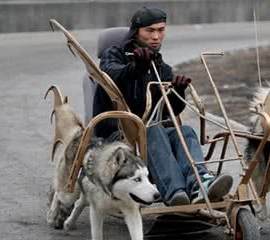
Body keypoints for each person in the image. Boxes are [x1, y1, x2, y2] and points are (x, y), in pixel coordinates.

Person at [94, 7, 233, 206]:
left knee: (185, 131)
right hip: (117, 133)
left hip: (150, 132)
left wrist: (177, 92)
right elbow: (109, 75)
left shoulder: (161, 67)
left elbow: (170, 111)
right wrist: (136, 69)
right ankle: (174, 191)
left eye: (161, 30)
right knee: (152, 130)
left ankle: (199, 184)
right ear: (136, 31)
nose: (156, 36)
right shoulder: (114, 54)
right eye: (150, 30)